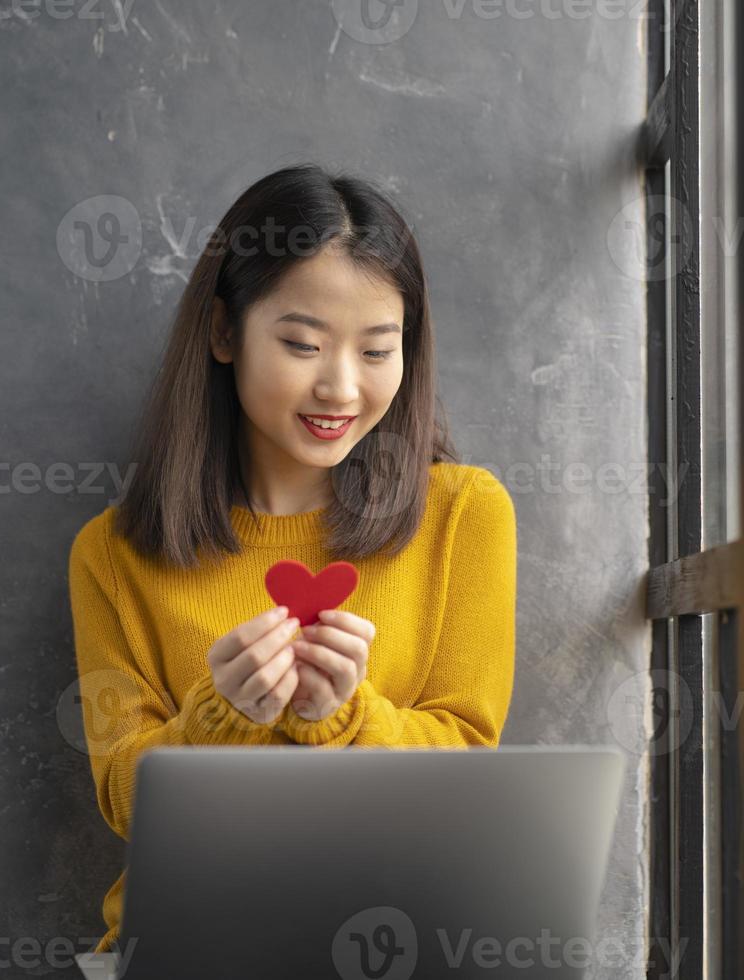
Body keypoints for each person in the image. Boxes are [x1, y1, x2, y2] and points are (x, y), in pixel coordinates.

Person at [67, 162, 517, 955]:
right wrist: (220, 720)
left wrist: (342, 717)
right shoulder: (113, 555)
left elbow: (465, 781)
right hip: (189, 947)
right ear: (221, 333)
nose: (341, 389)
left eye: (379, 351)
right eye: (303, 344)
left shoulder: (464, 517)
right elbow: (123, 798)